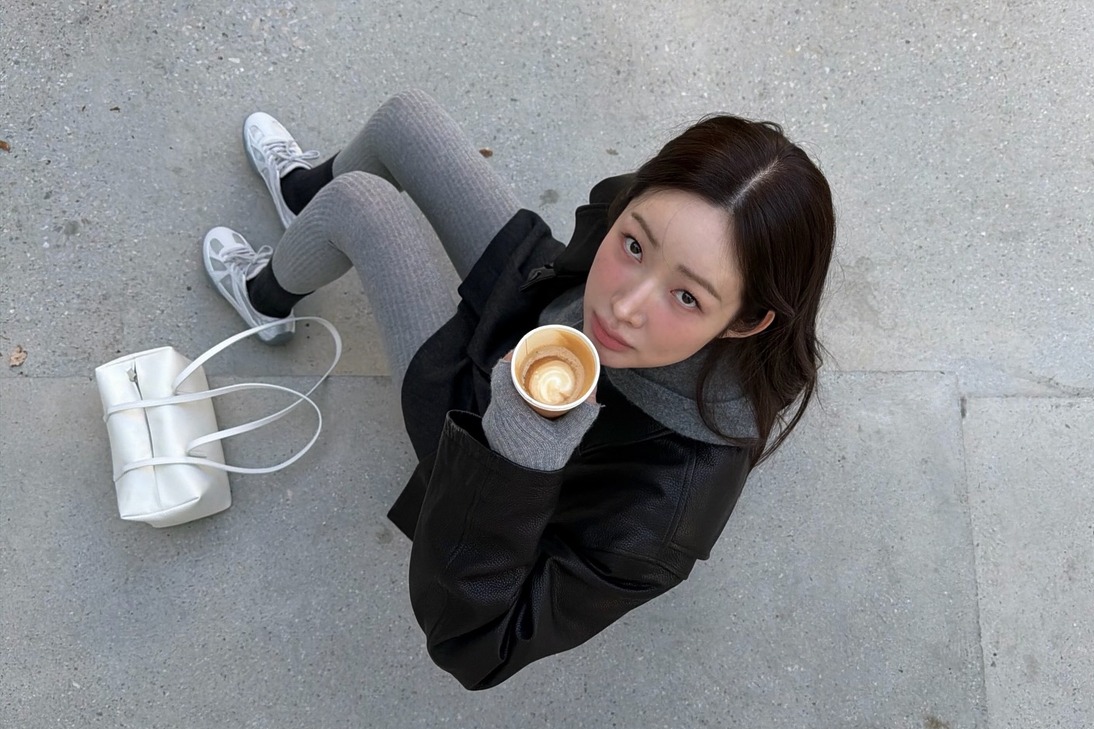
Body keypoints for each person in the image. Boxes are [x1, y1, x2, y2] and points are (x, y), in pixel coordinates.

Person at [202, 89, 835, 690]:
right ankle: (303, 200)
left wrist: (516, 457)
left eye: (687, 296)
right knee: (405, 119)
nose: (623, 307)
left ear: (746, 322)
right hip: (539, 302)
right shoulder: (660, 234)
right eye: (634, 245)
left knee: (359, 204)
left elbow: (479, 648)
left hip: (482, 439)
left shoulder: (665, 510)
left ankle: (263, 297)